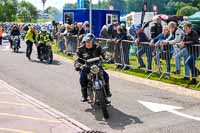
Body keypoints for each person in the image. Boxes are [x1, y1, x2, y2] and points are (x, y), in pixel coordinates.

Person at [75, 33, 112, 102]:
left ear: (93, 42)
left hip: (97, 66)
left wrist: (107, 58)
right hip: (86, 68)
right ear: (84, 42)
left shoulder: (97, 47)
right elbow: (77, 59)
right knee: (82, 79)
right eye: (87, 42)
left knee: (106, 76)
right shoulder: (80, 49)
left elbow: (103, 54)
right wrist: (77, 65)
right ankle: (84, 95)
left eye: (90, 42)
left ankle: (107, 92)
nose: (88, 43)